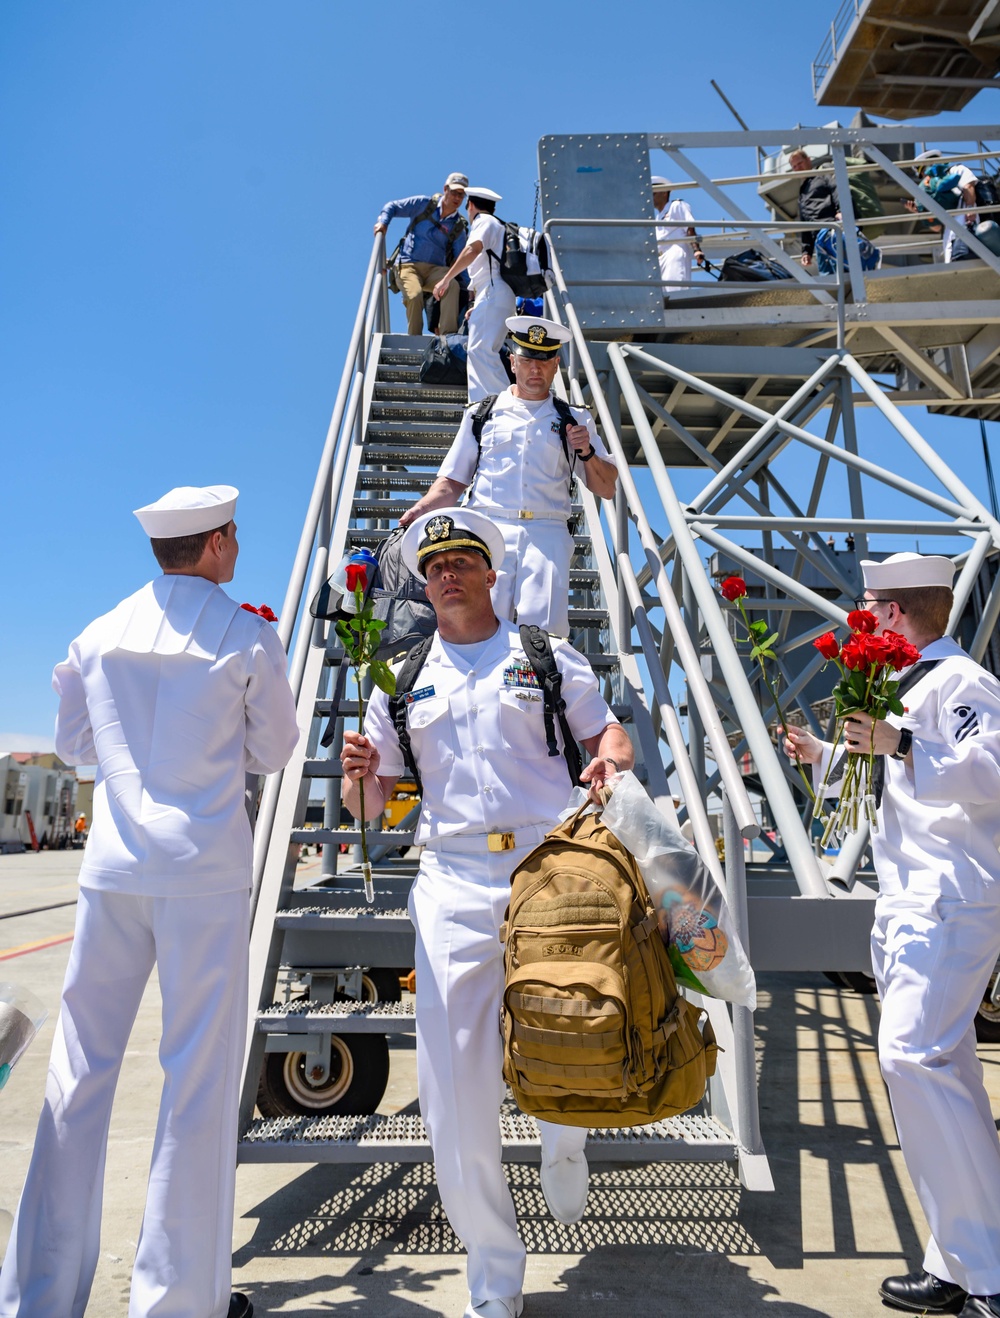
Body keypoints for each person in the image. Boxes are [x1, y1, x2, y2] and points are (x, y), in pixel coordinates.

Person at [0, 485, 299, 1318]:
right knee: (196, 1082)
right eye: (232, 536)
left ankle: (40, 1297)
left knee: (77, 1074)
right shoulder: (245, 635)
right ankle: (176, 1302)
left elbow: (74, 746)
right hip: (202, 872)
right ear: (214, 546)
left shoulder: (97, 636)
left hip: (112, 872)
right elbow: (274, 749)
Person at [340, 508, 634, 1318]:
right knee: (453, 1090)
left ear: (490, 572)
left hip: (550, 867)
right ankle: (496, 1277)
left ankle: (564, 1139)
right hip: (452, 879)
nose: (448, 574)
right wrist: (359, 774)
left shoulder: (543, 654)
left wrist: (610, 760)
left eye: (463, 560)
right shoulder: (398, 680)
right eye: (435, 566)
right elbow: (371, 807)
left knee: (571, 1033)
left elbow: (606, 733)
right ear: (425, 581)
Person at [783, 552, 1000, 1318]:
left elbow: (993, 769)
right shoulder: (903, 688)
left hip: (949, 900)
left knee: (915, 1060)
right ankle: (960, 1256)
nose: (859, 615)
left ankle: (990, 1275)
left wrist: (902, 745)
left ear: (898, 614)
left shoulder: (961, 684)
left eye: (870, 603)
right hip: (910, 901)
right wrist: (826, 757)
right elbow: (891, 777)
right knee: (946, 1077)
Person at [398, 315, 618, 636]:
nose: (535, 370)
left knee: (544, 633)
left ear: (555, 364)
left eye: (543, 362)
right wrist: (421, 510)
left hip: (547, 531)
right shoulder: (482, 413)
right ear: (513, 361)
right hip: (488, 528)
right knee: (478, 627)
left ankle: (540, 687)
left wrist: (586, 451)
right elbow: (452, 483)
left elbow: (607, 487)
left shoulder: (574, 417)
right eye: (527, 360)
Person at [432, 186, 515, 401]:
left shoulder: (484, 222)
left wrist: (446, 279)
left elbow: (473, 249)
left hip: (493, 292)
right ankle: (487, 403)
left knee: (480, 351)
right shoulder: (497, 225)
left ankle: (502, 403)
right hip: (494, 294)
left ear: (471, 205)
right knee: (483, 351)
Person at [374, 172, 470, 335]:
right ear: (445, 189)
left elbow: (462, 259)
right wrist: (383, 223)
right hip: (409, 264)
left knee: (451, 285)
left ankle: (447, 340)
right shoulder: (424, 204)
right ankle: (414, 337)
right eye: (454, 192)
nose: (457, 198)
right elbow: (393, 206)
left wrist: (470, 289)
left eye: (461, 195)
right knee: (414, 295)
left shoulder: (458, 226)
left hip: (435, 270)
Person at [789, 147, 883, 267]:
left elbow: (837, 189)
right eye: (794, 167)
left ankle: (872, 257)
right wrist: (806, 251)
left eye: (800, 163)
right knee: (831, 277)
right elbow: (805, 222)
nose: (798, 168)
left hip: (831, 228)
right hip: (819, 241)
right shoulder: (802, 192)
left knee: (849, 267)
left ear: (808, 160)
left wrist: (842, 211)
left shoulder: (822, 174)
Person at [908, 150, 978, 263]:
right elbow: (937, 227)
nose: (925, 179)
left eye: (924, 173)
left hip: (967, 224)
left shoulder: (955, 170)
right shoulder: (934, 192)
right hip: (951, 237)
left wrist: (970, 209)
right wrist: (919, 211)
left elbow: (968, 186)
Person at [651, 176, 703, 291]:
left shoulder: (676, 206)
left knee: (675, 292)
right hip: (661, 258)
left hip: (674, 254)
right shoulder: (657, 218)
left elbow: (689, 227)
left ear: (664, 192)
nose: (650, 197)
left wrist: (696, 250)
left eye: (653, 193)